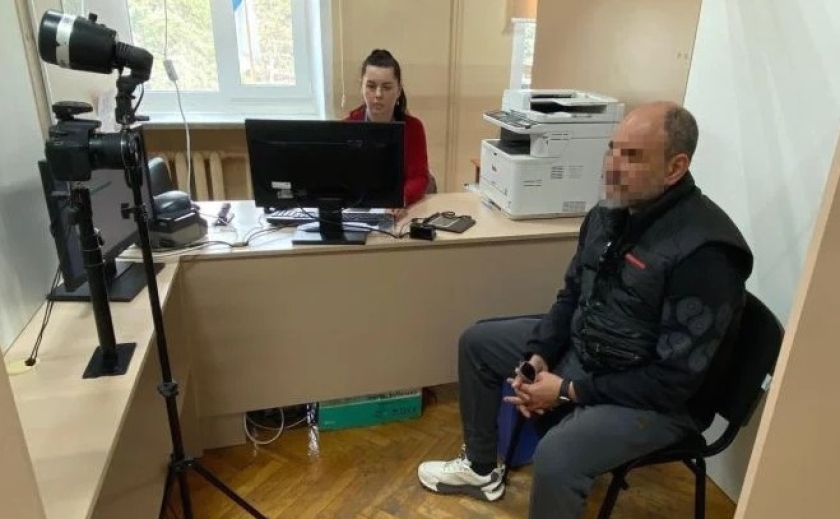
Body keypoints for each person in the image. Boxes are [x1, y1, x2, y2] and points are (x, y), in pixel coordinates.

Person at [417, 102, 753, 518]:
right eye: (613, 149)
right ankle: (481, 468)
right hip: (593, 351)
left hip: (656, 401)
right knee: (478, 343)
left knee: (557, 456)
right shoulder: (611, 212)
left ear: (674, 168)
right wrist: (538, 356)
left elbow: (672, 383)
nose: (612, 166)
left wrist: (566, 390)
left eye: (631, 156)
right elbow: (573, 294)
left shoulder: (707, 254)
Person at [345, 49, 429, 206]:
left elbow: (419, 177)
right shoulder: (346, 127)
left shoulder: (413, 128)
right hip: (358, 208)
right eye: (371, 86)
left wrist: (401, 198)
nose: (378, 94)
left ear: (398, 90)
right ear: (361, 87)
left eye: (387, 87)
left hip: (399, 209)